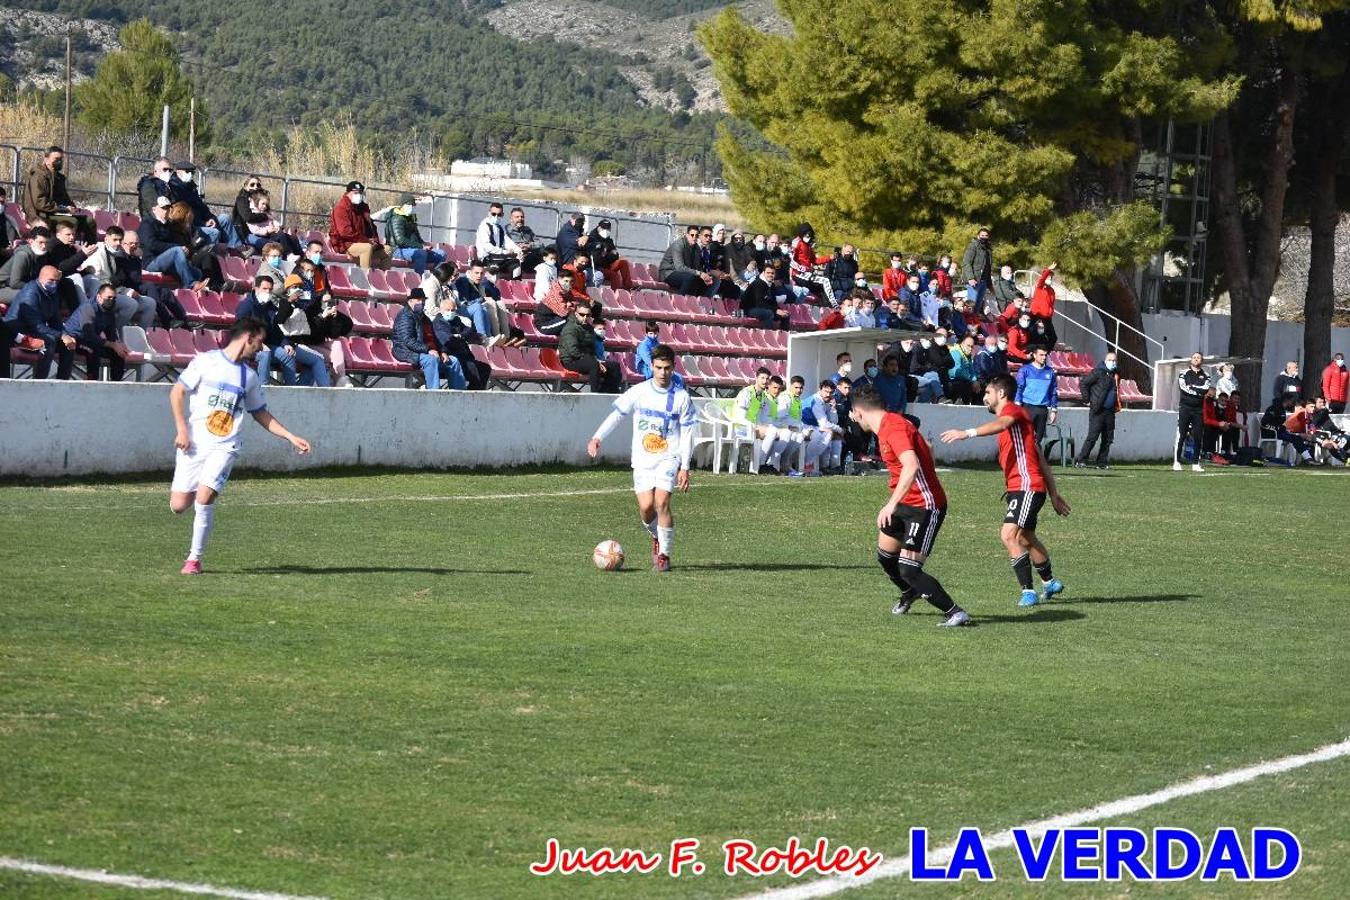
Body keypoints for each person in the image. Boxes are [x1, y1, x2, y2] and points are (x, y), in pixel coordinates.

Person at [169, 317, 312, 575]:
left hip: (225, 445)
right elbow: (177, 392)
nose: (260, 349)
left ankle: (194, 559)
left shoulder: (250, 376)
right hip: (194, 444)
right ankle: (193, 549)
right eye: (259, 343)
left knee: (204, 498)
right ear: (248, 337)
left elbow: (260, 413)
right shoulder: (206, 361)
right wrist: (181, 429)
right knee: (179, 505)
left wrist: (290, 436)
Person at [941, 375, 1070, 607]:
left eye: (988, 393)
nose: (984, 397)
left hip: (1026, 487)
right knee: (1026, 537)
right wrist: (1053, 494)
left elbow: (1001, 424)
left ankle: (1028, 592)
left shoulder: (1013, 412)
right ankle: (1049, 582)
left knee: (1009, 535)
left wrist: (966, 433)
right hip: (1022, 488)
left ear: (1001, 394)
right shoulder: (1016, 426)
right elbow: (1040, 459)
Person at [849, 387, 970, 626]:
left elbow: (911, 465)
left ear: (859, 411)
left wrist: (891, 504)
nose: (853, 418)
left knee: (909, 569)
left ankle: (955, 612)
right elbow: (928, 446)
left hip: (924, 505)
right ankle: (910, 592)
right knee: (886, 556)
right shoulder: (888, 425)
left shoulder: (893, 427)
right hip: (904, 500)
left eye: (853, 414)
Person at [586, 344, 695, 573]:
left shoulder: (682, 398)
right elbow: (617, 415)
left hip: (669, 456)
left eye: (667, 368)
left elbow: (687, 433)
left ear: (673, 367)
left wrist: (684, 466)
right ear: (651, 367)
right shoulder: (639, 391)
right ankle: (656, 536)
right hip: (643, 459)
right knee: (646, 508)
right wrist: (597, 437)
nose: (663, 373)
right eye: (658, 368)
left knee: (662, 502)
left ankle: (664, 555)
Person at [234, 274, 331, 387]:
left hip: (272, 344)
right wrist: (257, 343)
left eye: (270, 289)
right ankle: (264, 387)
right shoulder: (246, 306)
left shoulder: (269, 305)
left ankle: (291, 389)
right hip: (250, 346)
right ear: (255, 289)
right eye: (264, 289)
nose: (268, 292)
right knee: (265, 353)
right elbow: (239, 330)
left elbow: (276, 328)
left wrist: (285, 343)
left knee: (288, 355)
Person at [0, 266, 76, 379]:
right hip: (19, 333)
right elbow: (36, 325)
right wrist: (60, 335)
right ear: (41, 278)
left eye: (56, 281)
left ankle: (62, 382)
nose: (54, 284)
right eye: (51, 281)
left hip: (36, 331)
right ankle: (40, 382)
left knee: (68, 345)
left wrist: (65, 336)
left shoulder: (53, 293)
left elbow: (55, 321)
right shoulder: (30, 294)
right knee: (48, 343)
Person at [79, 225, 157, 328]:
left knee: (150, 303)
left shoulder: (115, 254)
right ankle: (115, 332)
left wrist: (127, 291)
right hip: (100, 295)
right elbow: (96, 281)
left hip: (116, 291)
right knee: (131, 304)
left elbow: (121, 281)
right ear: (106, 238)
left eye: (120, 240)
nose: (117, 243)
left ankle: (142, 334)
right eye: (114, 240)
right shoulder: (97, 253)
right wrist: (124, 291)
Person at [391, 288, 465, 390]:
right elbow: (408, 341)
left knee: (453, 361)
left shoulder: (424, 317)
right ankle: (434, 393)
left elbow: (434, 337)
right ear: (410, 301)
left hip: (425, 350)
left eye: (423, 300)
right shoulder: (405, 316)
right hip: (407, 351)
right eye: (418, 300)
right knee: (431, 360)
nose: (421, 302)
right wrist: (428, 349)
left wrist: (442, 351)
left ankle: (459, 396)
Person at [22, 146, 95, 241]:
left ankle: (87, 252)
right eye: (56, 159)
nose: (59, 161)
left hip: (55, 213)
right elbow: (40, 202)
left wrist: (71, 207)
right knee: (73, 223)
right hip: (40, 216)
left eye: (61, 159)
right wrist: (63, 209)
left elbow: (63, 198)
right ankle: (64, 252)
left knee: (89, 222)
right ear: (46, 159)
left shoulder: (59, 178)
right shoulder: (39, 177)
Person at [139, 196, 207, 291]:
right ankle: (191, 285)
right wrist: (176, 248)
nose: (166, 211)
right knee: (177, 250)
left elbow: (175, 243)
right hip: (151, 262)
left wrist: (185, 249)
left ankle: (188, 292)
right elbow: (151, 244)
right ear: (154, 209)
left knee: (197, 273)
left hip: (167, 262)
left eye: (168, 208)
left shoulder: (168, 225)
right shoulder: (147, 224)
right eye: (163, 208)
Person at [64, 282, 128, 381]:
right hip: (75, 340)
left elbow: (111, 335)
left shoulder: (109, 312)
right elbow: (89, 335)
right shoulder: (88, 308)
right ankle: (92, 383)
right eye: (109, 298)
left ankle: (116, 385)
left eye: (114, 298)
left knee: (117, 353)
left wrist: (117, 345)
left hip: (92, 341)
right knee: (93, 350)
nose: (111, 301)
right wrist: (111, 344)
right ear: (99, 297)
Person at [734, 368, 791, 474]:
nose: (765, 381)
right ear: (756, 378)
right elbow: (739, 416)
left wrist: (780, 426)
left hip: (756, 427)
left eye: (767, 378)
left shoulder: (763, 396)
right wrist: (753, 425)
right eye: (762, 378)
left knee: (786, 433)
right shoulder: (746, 393)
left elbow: (766, 417)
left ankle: (771, 464)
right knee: (772, 431)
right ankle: (759, 464)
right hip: (742, 427)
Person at [560, 302, 622, 393]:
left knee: (614, 366)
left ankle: (608, 393)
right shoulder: (570, 328)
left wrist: (597, 360)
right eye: (582, 314)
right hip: (571, 361)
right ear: (576, 314)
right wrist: (595, 361)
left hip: (588, 359)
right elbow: (573, 351)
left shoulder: (589, 328)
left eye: (588, 315)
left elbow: (591, 348)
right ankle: (595, 394)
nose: (585, 317)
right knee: (593, 364)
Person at [1074, 352, 1122, 468]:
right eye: (1110, 360)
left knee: (1108, 438)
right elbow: (1083, 383)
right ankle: (1081, 460)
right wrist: (1087, 400)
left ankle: (1102, 462)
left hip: (1110, 411)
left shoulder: (1115, 374)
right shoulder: (1098, 372)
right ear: (1105, 361)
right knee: (1092, 437)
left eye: (1115, 360)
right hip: (1098, 410)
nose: (1113, 362)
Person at [329, 181, 390, 270]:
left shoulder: (363, 208)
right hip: (346, 244)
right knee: (366, 248)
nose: (359, 195)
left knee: (387, 250)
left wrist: (375, 241)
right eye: (355, 193)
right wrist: (366, 241)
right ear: (348, 193)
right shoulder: (341, 208)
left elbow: (371, 227)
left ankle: (381, 279)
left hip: (363, 242)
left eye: (360, 193)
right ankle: (365, 278)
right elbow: (345, 232)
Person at [453, 262, 512, 346]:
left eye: (481, 273)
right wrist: (482, 299)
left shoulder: (480, 284)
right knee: (487, 305)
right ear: (469, 272)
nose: (479, 276)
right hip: (463, 309)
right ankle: (491, 336)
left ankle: (506, 337)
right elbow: (465, 303)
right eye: (476, 273)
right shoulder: (463, 282)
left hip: (475, 308)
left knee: (500, 303)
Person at [385, 194, 445, 275]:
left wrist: (424, 243)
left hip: (413, 248)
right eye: (409, 204)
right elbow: (400, 241)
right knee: (421, 253)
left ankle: (435, 279)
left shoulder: (410, 218)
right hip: (398, 250)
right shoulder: (397, 218)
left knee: (441, 254)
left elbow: (417, 237)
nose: (412, 207)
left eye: (413, 205)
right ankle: (419, 280)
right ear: (403, 205)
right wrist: (421, 247)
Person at [168, 162, 221, 246]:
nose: (191, 175)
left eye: (192, 172)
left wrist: (210, 218)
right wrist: (203, 223)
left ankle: (232, 249)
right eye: (188, 172)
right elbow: (184, 214)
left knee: (225, 219)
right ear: (178, 172)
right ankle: (210, 255)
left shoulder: (191, 186)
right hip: (191, 225)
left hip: (202, 221)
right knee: (214, 232)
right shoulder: (174, 188)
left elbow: (201, 206)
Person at [1175, 351, 1212, 472]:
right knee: (1182, 434)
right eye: (1194, 358)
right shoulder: (1183, 373)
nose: (1196, 359)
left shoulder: (1206, 375)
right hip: (1185, 408)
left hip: (1198, 410)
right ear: (1191, 360)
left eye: (1199, 358)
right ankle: (1177, 461)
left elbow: (1205, 389)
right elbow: (1184, 388)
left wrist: (1193, 387)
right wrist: (1196, 390)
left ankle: (1196, 462)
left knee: (1198, 435)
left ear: (1202, 361)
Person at [1014, 346, 1058, 440]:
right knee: (1024, 437)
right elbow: (1019, 388)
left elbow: (1053, 391)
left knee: (1038, 439)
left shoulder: (1050, 372)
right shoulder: (1025, 370)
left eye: (1045, 355)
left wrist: (1053, 410)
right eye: (1041, 355)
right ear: (1034, 355)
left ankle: (1035, 453)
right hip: (1027, 407)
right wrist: (1017, 404)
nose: (1044, 357)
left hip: (1042, 409)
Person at [660, 226, 713, 297]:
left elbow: (697, 267)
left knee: (711, 281)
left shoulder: (696, 248)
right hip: (668, 273)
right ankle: (678, 302)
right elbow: (679, 267)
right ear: (687, 235)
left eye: (696, 235)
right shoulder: (678, 245)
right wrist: (699, 273)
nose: (694, 237)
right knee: (690, 278)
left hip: (684, 274)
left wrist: (705, 276)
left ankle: (697, 303)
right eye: (692, 235)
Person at [475, 201, 522, 274]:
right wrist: (503, 252)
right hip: (487, 259)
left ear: (502, 215)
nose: (496, 217)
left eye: (499, 214)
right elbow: (487, 247)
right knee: (495, 269)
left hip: (500, 258)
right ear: (489, 213)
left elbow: (507, 241)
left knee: (516, 268)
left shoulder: (500, 226)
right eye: (493, 214)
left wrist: (518, 251)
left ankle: (513, 284)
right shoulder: (484, 226)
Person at [739, 264, 791, 329]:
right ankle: (768, 334)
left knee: (786, 315)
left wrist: (779, 310)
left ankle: (783, 336)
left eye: (772, 273)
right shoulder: (758, 283)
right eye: (768, 273)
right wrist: (775, 310)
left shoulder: (771, 285)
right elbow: (759, 303)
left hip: (760, 308)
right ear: (763, 273)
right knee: (769, 313)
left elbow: (773, 301)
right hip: (748, 309)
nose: (770, 275)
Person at [588, 218, 633, 290]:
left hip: (607, 265)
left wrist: (606, 255)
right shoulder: (592, 239)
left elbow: (616, 254)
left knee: (623, 262)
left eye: (608, 229)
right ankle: (615, 294)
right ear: (598, 227)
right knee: (615, 275)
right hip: (597, 268)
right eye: (603, 228)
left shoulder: (608, 240)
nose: (606, 231)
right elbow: (596, 260)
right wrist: (610, 255)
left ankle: (628, 287)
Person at [535, 267, 580, 338]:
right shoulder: (554, 293)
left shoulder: (567, 292)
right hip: (545, 325)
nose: (569, 283)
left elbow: (575, 303)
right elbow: (564, 312)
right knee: (572, 320)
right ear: (559, 280)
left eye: (571, 281)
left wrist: (571, 304)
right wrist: (572, 305)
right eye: (566, 281)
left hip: (557, 320)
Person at [960, 227, 993, 310]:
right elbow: (966, 263)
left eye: (986, 236)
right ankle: (968, 322)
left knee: (978, 305)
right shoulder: (973, 246)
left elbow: (988, 268)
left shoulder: (988, 249)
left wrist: (989, 284)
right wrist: (970, 278)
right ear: (978, 236)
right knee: (971, 304)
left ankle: (975, 320)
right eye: (982, 235)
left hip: (984, 281)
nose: (984, 237)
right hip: (974, 281)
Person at [506, 207, 544, 275]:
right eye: (517, 217)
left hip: (530, 254)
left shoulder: (527, 230)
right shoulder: (506, 231)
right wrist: (517, 247)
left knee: (551, 249)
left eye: (522, 217)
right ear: (511, 219)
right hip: (517, 258)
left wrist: (529, 245)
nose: (520, 219)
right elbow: (504, 246)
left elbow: (540, 243)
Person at [1029, 263, 1059, 349]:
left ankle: (1045, 353)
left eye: (1051, 278)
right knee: (1035, 336)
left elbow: (1051, 303)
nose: (1050, 279)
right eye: (1048, 277)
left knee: (1053, 338)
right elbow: (1042, 279)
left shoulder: (1051, 290)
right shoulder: (1040, 287)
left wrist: (1050, 313)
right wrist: (1048, 269)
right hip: (1037, 316)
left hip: (1047, 318)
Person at [947, 335, 978, 404]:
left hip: (965, 378)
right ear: (962, 344)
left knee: (979, 385)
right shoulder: (956, 352)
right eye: (968, 345)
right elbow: (957, 372)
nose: (970, 348)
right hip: (954, 378)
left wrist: (975, 381)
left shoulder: (967, 354)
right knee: (965, 384)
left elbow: (971, 370)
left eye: (972, 346)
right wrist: (971, 380)